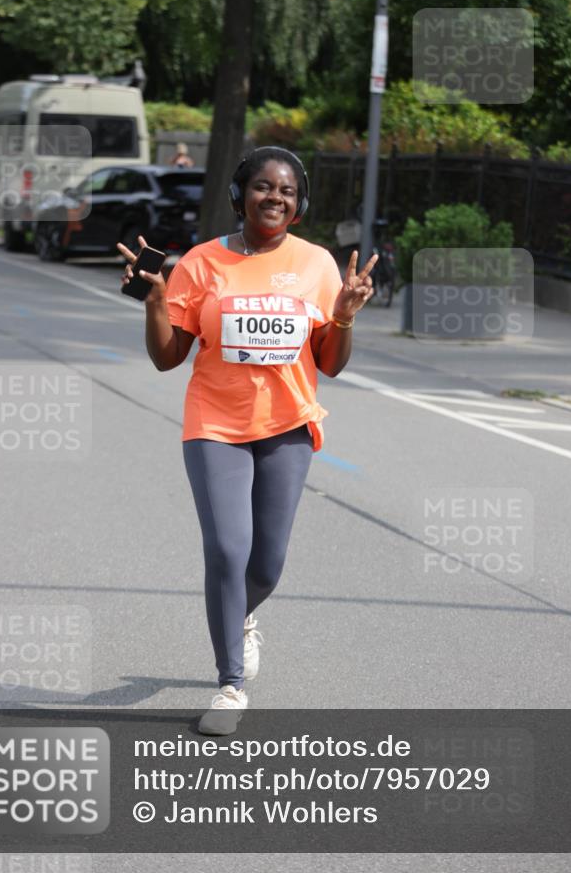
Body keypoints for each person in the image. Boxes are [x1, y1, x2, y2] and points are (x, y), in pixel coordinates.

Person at [118, 146, 376, 734]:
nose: (275, 199)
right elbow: (167, 358)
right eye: (263, 187)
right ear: (240, 196)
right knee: (229, 552)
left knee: (266, 565)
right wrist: (156, 299)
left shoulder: (317, 265)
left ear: (299, 205)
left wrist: (345, 315)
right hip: (214, 425)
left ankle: (239, 616)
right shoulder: (201, 264)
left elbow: (329, 363)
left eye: (286, 192)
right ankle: (230, 686)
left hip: (287, 426)